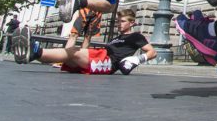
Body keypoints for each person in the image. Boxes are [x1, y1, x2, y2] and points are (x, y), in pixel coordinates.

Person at [13, 9, 155, 75]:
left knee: (74, 52)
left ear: (132, 23)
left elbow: (152, 52)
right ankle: (33, 55)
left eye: (123, 22)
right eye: (118, 21)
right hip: (101, 57)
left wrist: (136, 59)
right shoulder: (116, 38)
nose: (119, 24)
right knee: (68, 58)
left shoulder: (136, 36)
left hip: (106, 62)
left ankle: (36, 51)